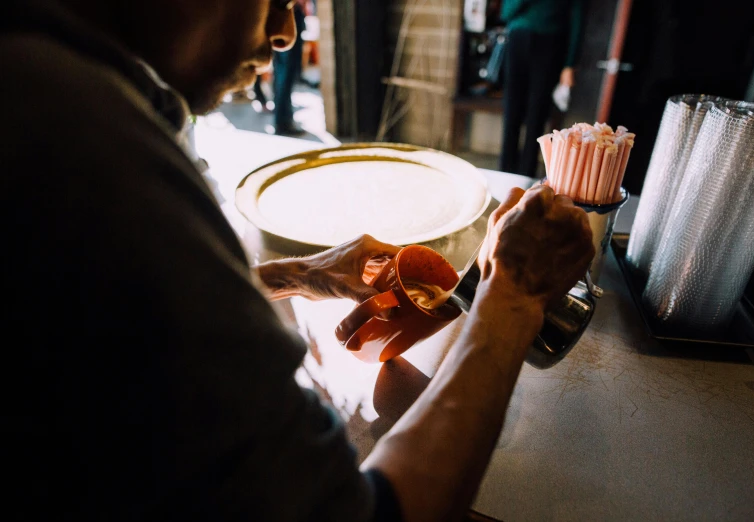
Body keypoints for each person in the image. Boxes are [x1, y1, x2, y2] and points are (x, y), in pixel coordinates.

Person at [1, 0, 593, 520]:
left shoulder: (41, 75)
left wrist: (298, 274)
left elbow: (129, 318)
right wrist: (513, 298)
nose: (285, 34)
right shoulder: (87, 142)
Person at [499, 0, 585, 177]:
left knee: (537, 114)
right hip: (517, 38)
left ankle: (526, 176)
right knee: (511, 111)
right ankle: (505, 174)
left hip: (551, 43)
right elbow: (506, 13)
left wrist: (570, 64)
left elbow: (577, 19)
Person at [273, 0, 308, 135]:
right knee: (286, 71)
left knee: (283, 71)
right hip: (287, 11)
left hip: (287, 11)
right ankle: (283, 121)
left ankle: (283, 117)